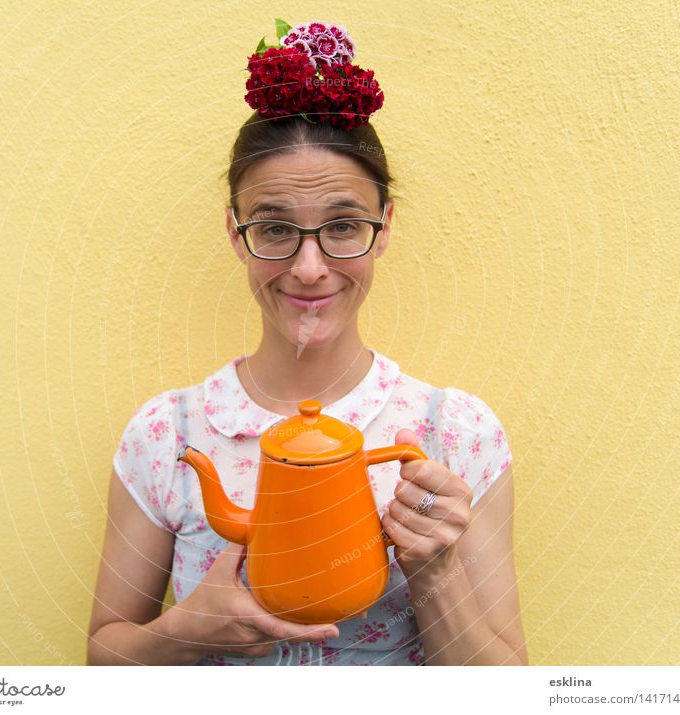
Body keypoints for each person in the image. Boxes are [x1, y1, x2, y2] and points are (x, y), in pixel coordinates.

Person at [87, 19, 527, 666]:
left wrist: (436, 575)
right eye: (274, 229)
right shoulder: (166, 436)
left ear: (384, 229)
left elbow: (512, 694)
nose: (310, 267)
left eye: (344, 225)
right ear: (237, 235)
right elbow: (101, 661)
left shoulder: (456, 436)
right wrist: (185, 629)